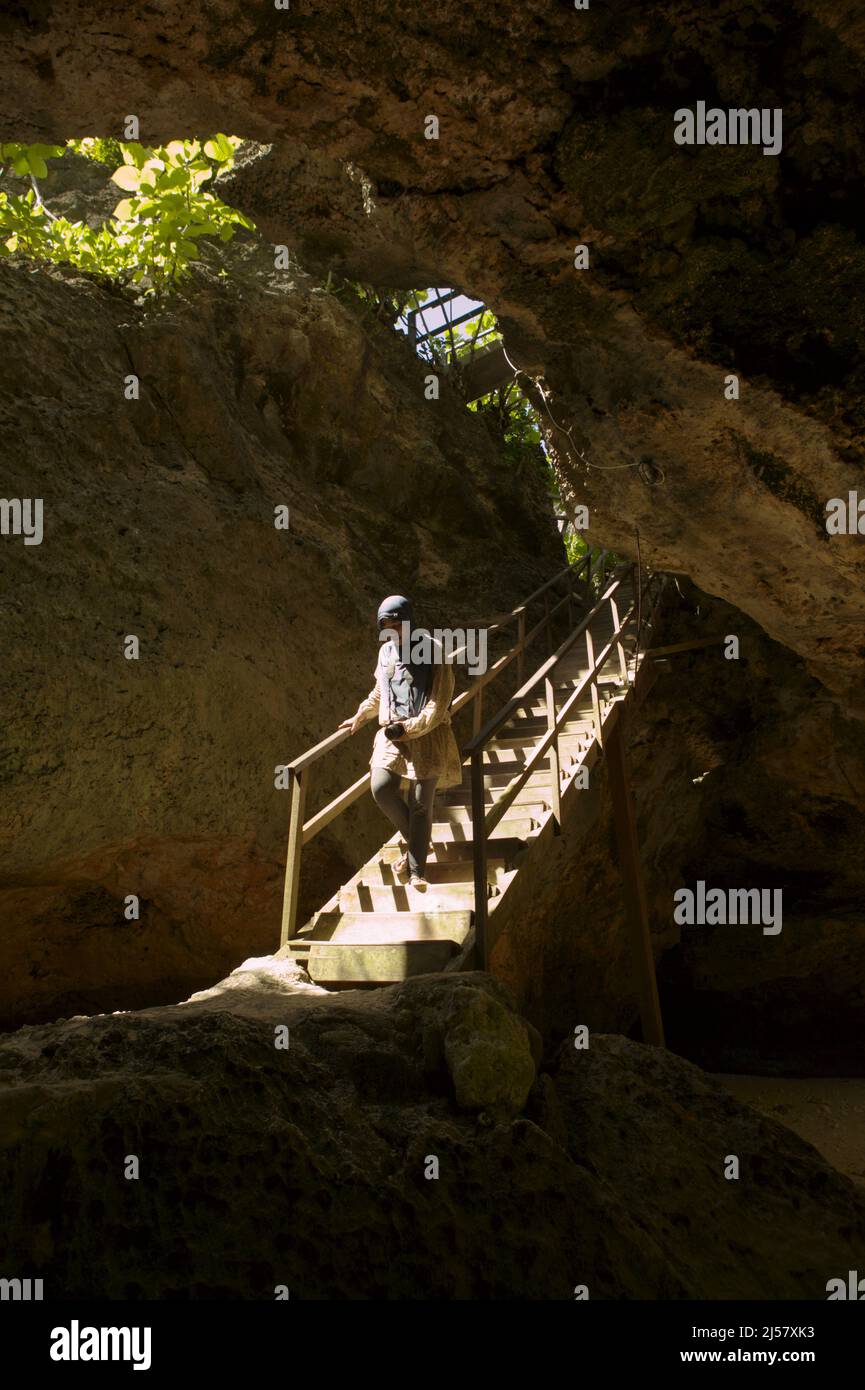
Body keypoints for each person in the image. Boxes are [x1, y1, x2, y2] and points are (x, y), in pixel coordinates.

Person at [339, 595, 462, 888]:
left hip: (429, 736)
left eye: (398, 624)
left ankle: (417, 872)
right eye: (388, 625)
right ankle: (419, 842)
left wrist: (411, 728)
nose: (393, 630)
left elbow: (439, 701)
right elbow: (380, 691)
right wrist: (361, 714)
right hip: (392, 736)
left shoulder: (434, 649)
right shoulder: (385, 654)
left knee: (420, 805)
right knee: (381, 788)